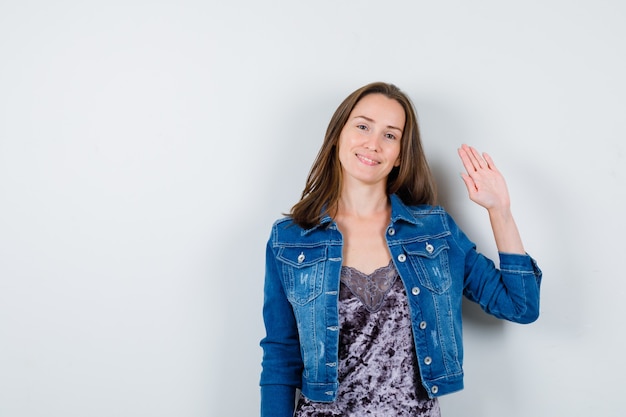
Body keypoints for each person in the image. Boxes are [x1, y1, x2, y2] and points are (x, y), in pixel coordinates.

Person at [259, 82, 542, 417]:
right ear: (338, 135)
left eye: (390, 135)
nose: (373, 144)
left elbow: (521, 306)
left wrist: (500, 212)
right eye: (363, 126)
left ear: (399, 156)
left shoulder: (435, 231)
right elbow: (281, 355)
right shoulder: (290, 239)